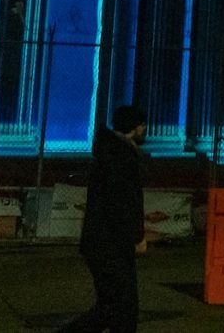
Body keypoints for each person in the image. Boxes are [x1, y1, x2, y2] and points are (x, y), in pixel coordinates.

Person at [60, 104, 148, 333]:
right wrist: (137, 236)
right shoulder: (122, 157)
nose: (144, 129)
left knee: (114, 306)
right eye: (142, 125)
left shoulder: (112, 151)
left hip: (102, 242)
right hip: (110, 243)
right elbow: (125, 202)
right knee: (121, 307)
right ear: (134, 127)